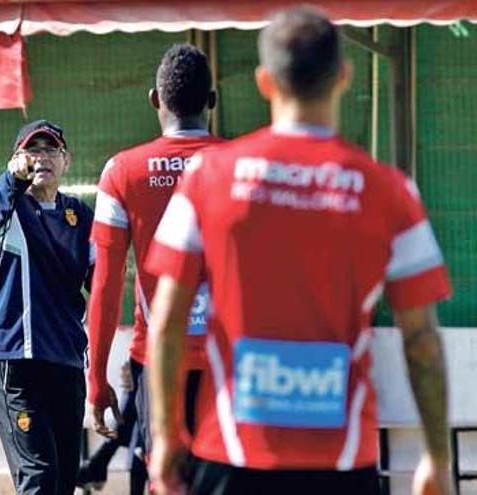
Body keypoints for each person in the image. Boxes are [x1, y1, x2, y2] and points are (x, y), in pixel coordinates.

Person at [145, 8, 452, 495]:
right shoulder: (390, 192)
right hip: (343, 464)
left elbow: (166, 322)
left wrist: (165, 437)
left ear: (265, 82)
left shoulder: (208, 178)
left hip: (231, 459)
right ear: (344, 78)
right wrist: (437, 457)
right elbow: (422, 343)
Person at [82, 43, 223, 494]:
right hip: (231, 361)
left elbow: (104, 283)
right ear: (212, 101)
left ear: (154, 100)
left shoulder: (122, 172)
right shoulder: (244, 168)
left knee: (160, 478)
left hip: (157, 362)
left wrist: (96, 378)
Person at [0, 120, 94, 494]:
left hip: (66, 359)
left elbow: (100, 281)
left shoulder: (80, 215)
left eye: (50, 150)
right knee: (39, 477)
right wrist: (11, 177)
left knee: (63, 478)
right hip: (17, 358)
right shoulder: (9, 205)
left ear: (67, 160)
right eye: (32, 150)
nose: (41, 157)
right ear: (17, 159)